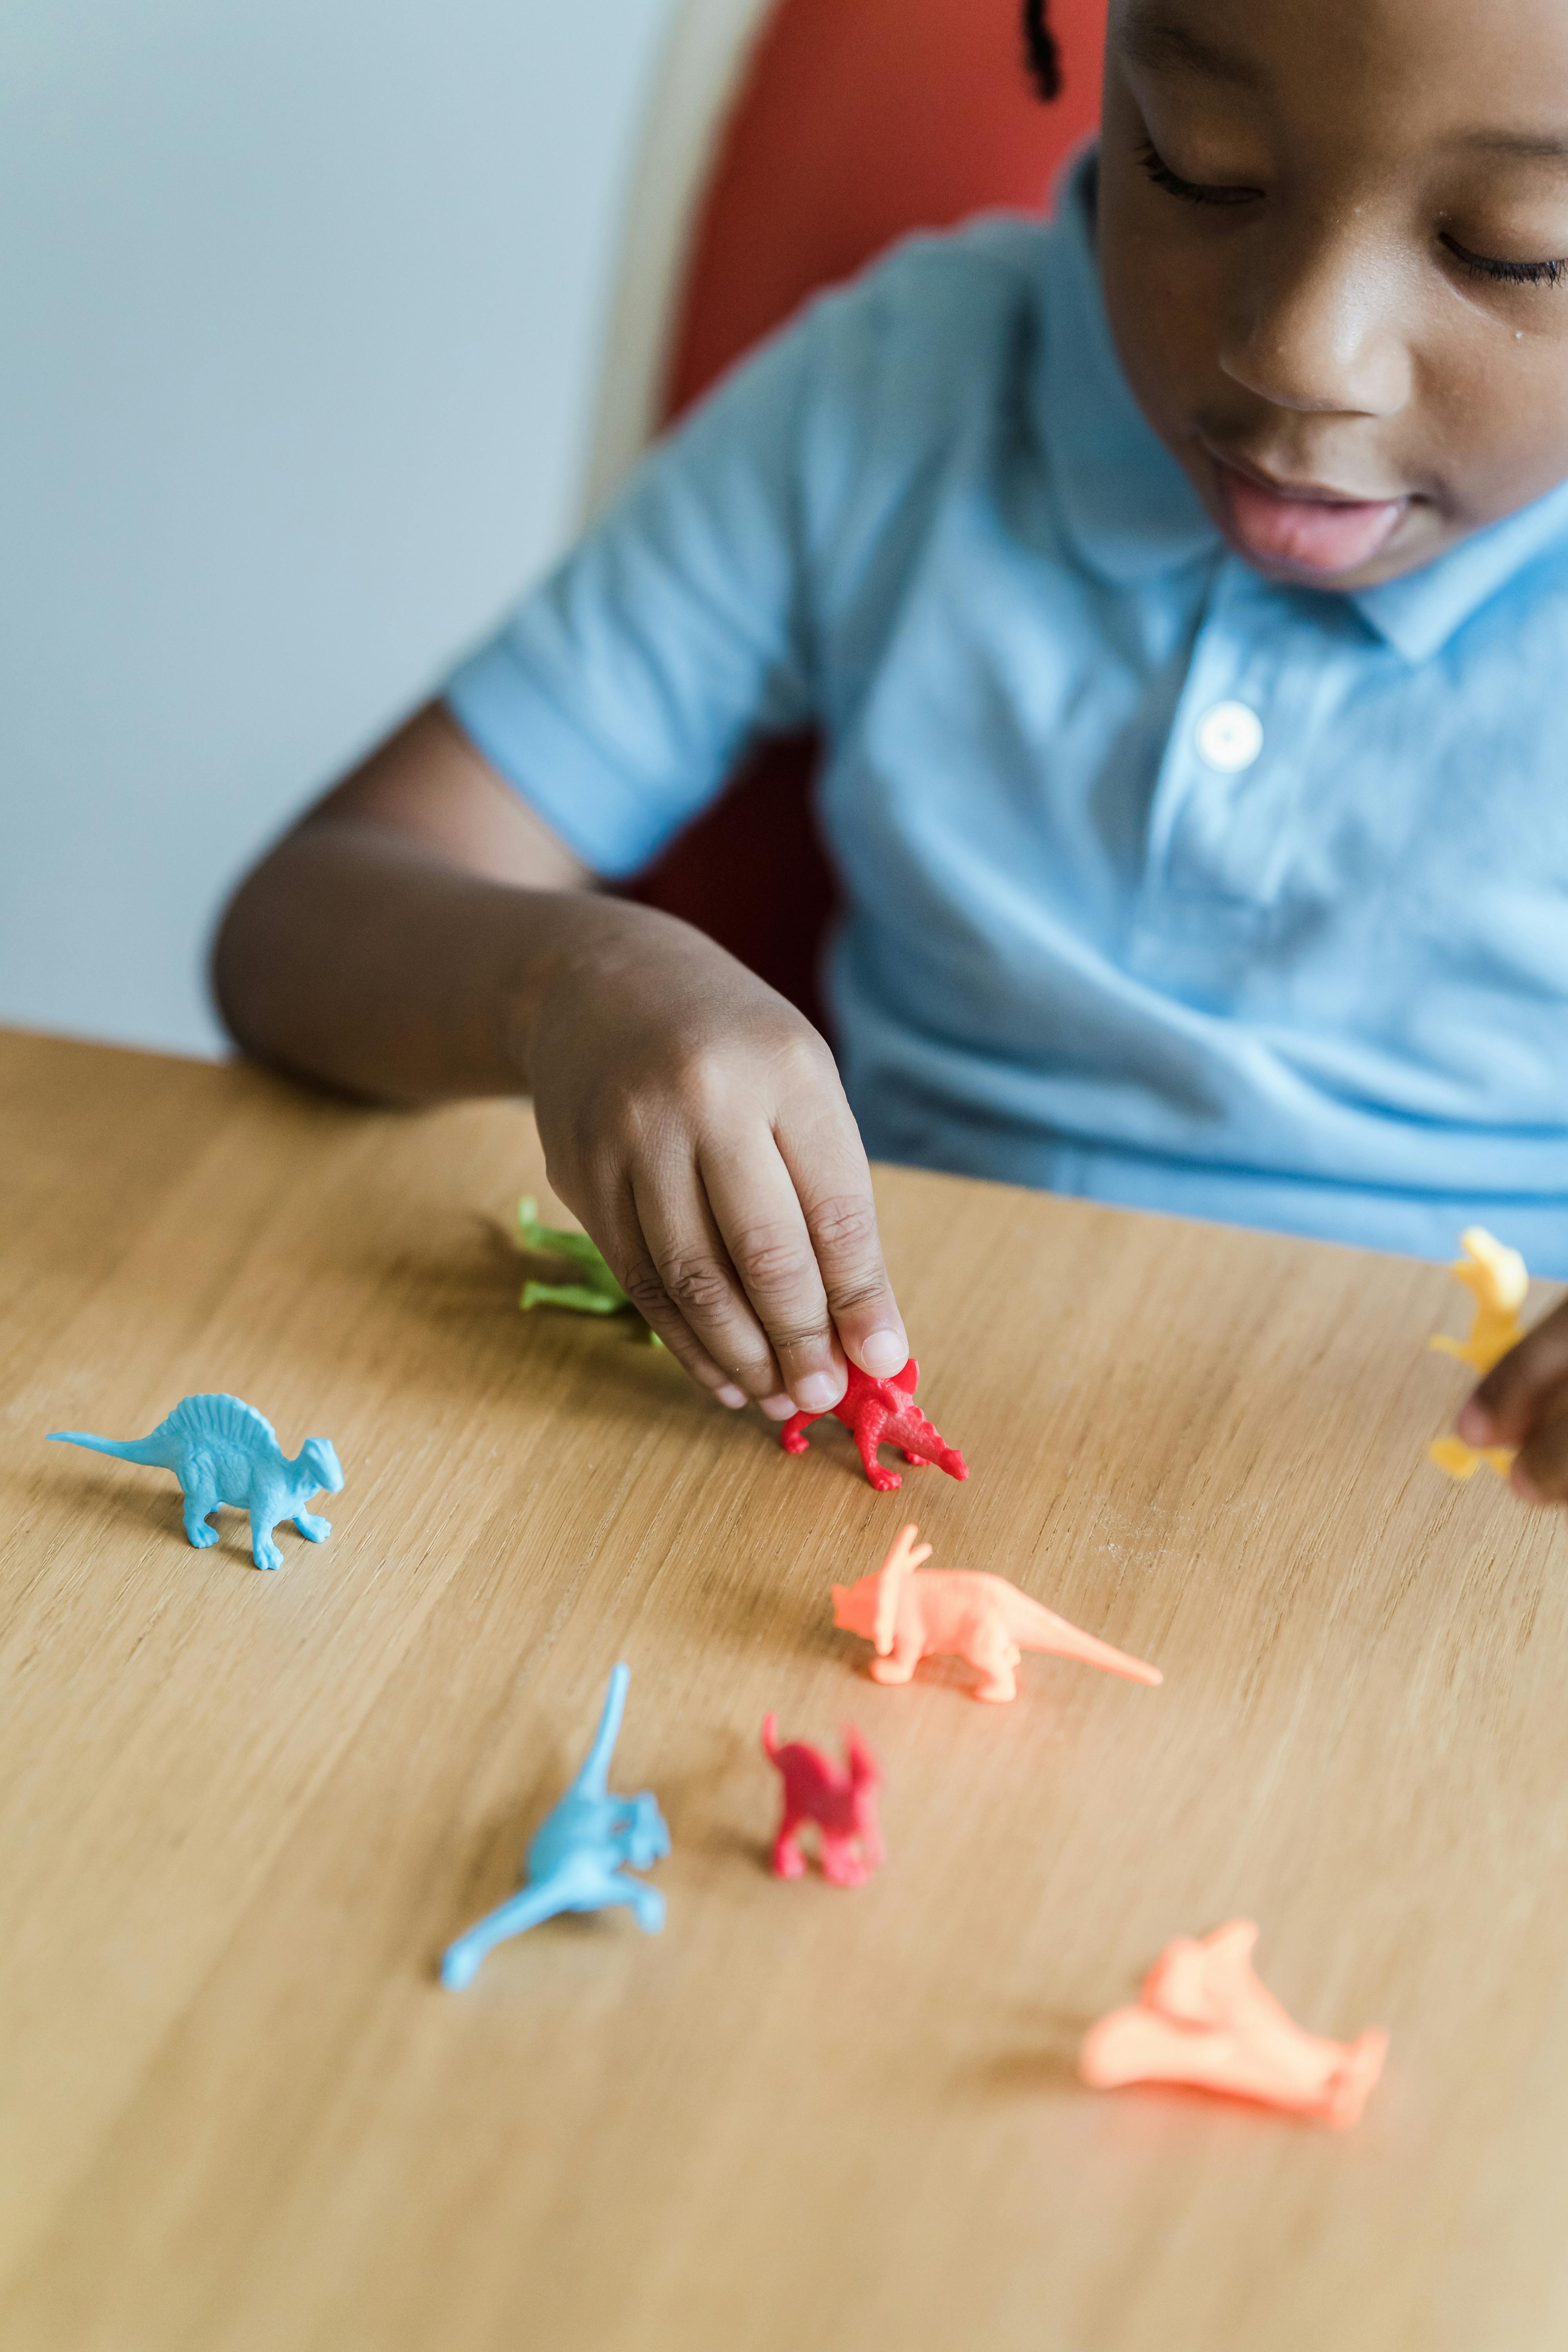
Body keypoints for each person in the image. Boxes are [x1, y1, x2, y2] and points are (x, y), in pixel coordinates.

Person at [216, 0, 1568, 1500]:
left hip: (1462, 1521)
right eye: (1203, 166)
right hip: (886, 1465)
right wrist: (568, 986)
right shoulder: (899, 389)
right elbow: (301, 921)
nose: (1301, 352)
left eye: (1518, 248)